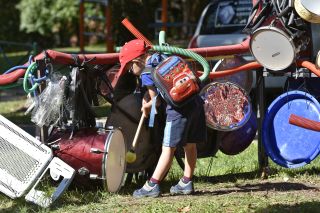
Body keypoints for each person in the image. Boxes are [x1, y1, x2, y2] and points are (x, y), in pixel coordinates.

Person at [118, 39, 207, 198]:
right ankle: (186, 181)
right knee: (190, 145)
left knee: (168, 148)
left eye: (130, 66)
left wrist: (146, 106)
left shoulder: (145, 73)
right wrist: (148, 96)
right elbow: (161, 88)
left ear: (138, 60)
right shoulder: (161, 57)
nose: (130, 71)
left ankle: (152, 185)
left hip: (178, 111)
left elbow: (156, 102)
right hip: (195, 103)